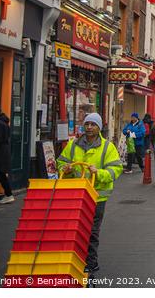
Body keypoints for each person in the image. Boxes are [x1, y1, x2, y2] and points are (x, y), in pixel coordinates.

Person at [57, 112, 122, 273]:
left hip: (96, 196)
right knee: (74, 229)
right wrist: (65, 168)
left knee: (92, 231)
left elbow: (116, 169)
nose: (89, 127)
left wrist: (98, 173)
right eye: (87, 124)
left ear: (99, 127)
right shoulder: (73, 145)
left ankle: (91, 263)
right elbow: (60, 162)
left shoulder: (107, 147)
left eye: (93, 124)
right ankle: (74, 259)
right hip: (75, 195)